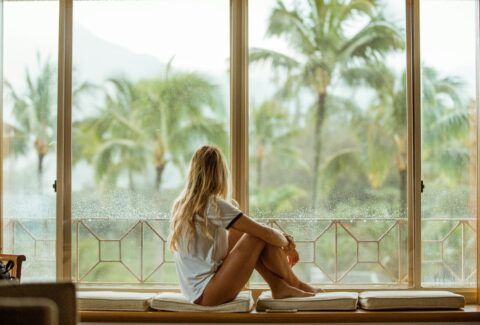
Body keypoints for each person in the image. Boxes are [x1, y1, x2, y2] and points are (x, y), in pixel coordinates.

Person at [169, 145, 319, 306]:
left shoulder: (182, 205)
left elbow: (258, 234)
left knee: (245, 232)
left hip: (198, 291)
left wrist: (280, 238)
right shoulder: (212, 205)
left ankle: (279, 287)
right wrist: (288, 243)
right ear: (220, 174)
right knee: (256, 235)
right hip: (208, 294)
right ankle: (295, 283)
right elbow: (265, 234)